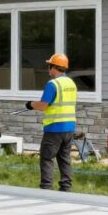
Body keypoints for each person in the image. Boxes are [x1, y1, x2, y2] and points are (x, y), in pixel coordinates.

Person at [25, 53, 77, 192]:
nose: (48, 70)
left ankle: (46, 188)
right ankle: (66, 188)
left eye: (49, 66)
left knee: (47, 158)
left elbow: (43, 105)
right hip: (69, 127)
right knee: (64, 158)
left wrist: (30, 104)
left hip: (54, 128)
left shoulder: (52, 84)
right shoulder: (71, 83)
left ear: (55, 67)